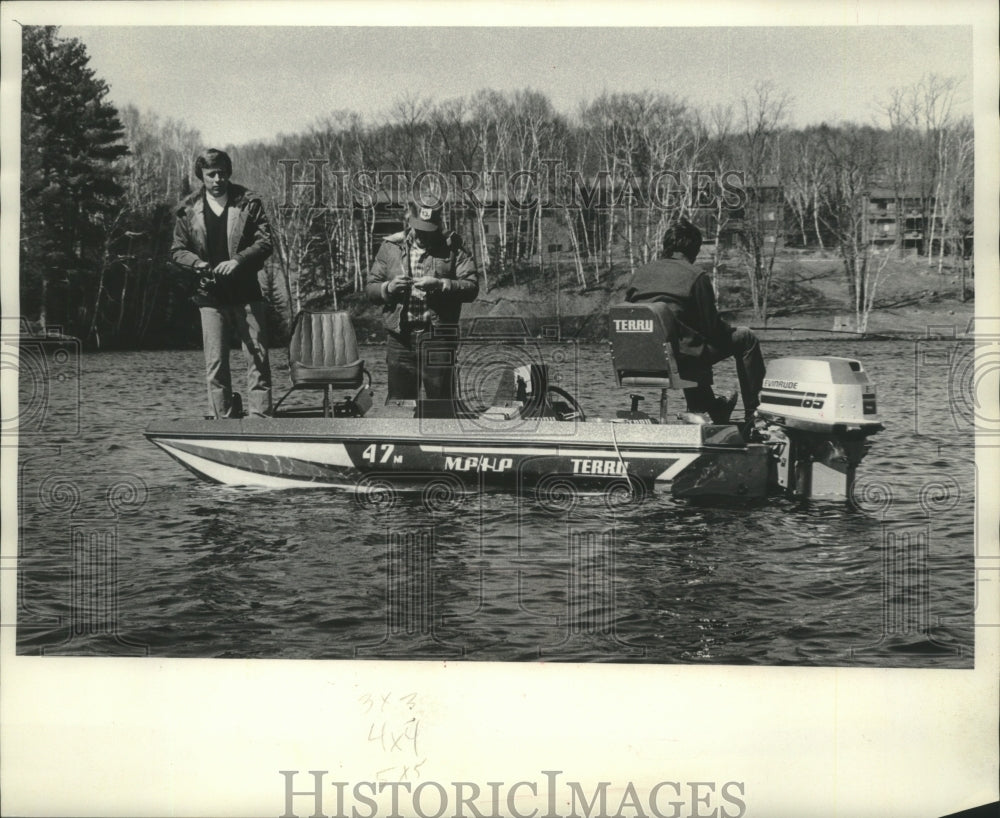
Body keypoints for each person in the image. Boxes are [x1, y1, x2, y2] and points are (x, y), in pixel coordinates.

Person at [625, 218, 765, 429]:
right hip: (678, 358)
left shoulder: (640, 274)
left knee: (686, 346)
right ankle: (756, 415)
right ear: (694, 249)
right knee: (745, 338)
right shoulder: (696, 276)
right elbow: (712, 330)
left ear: (667, 245)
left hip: (638, 358)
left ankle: (713, 407)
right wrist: (728, 329)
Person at [171, 148, 274, 418]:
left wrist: (238, 261)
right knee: (215, 364)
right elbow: (177, 250)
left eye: (222, 173)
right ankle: (221, 420)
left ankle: (261, 420)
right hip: (209, 296)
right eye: (211, 174)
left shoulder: (249, 202)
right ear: (201, 177)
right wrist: (198, 264)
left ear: (229, 173)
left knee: (258, 360)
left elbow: (265, 242)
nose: (217, 179)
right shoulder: (187, 209)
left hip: (247, 292)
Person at [366, 202, 478, 403]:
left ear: (438, 223)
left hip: (439, 337)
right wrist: (389, 288)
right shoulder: (390, 247)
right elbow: (370, 288)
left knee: (442, 406)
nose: (423, 236)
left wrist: (442, 284)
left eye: (429, 230)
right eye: (419, 230)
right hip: (400, 339)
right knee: (399, 407)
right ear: (409, 220)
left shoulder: (454, 247)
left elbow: (471, 287)